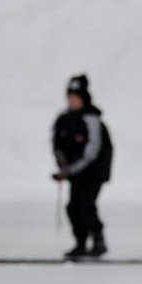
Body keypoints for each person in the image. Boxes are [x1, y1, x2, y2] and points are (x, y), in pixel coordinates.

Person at [51, 74, 113, 259]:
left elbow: (92, 151)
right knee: (73, 207)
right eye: (69, 97)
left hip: (93, 172)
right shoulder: (64, 119)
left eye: (75, 97)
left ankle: (98, 239)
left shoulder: (91, 119)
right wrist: (62, 163)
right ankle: (80, 242)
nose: (71, 101)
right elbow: (57, 143)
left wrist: (70, 169)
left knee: (86, 204)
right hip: (76, 174)